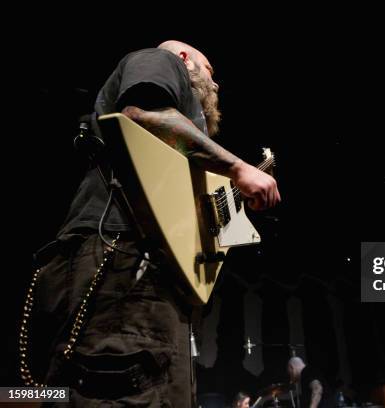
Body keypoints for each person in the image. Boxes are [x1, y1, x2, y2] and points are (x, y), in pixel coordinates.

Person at [23, 40, 280, 406]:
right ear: (185, 58)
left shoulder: (178, 146)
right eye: (211, 71)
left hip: (146, 268)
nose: (216, 84)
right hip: (123, 252)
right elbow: (140, 112)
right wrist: (239, 168)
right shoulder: (160, 60)